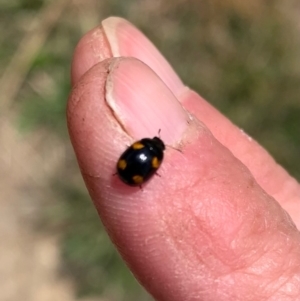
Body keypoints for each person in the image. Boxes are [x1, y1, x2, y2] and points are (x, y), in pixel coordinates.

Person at [67, 17, 300, 300]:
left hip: (126, 172)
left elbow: (134, 155)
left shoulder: (147, 148)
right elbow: (142, 162)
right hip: (129, 173)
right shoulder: (155, 155)